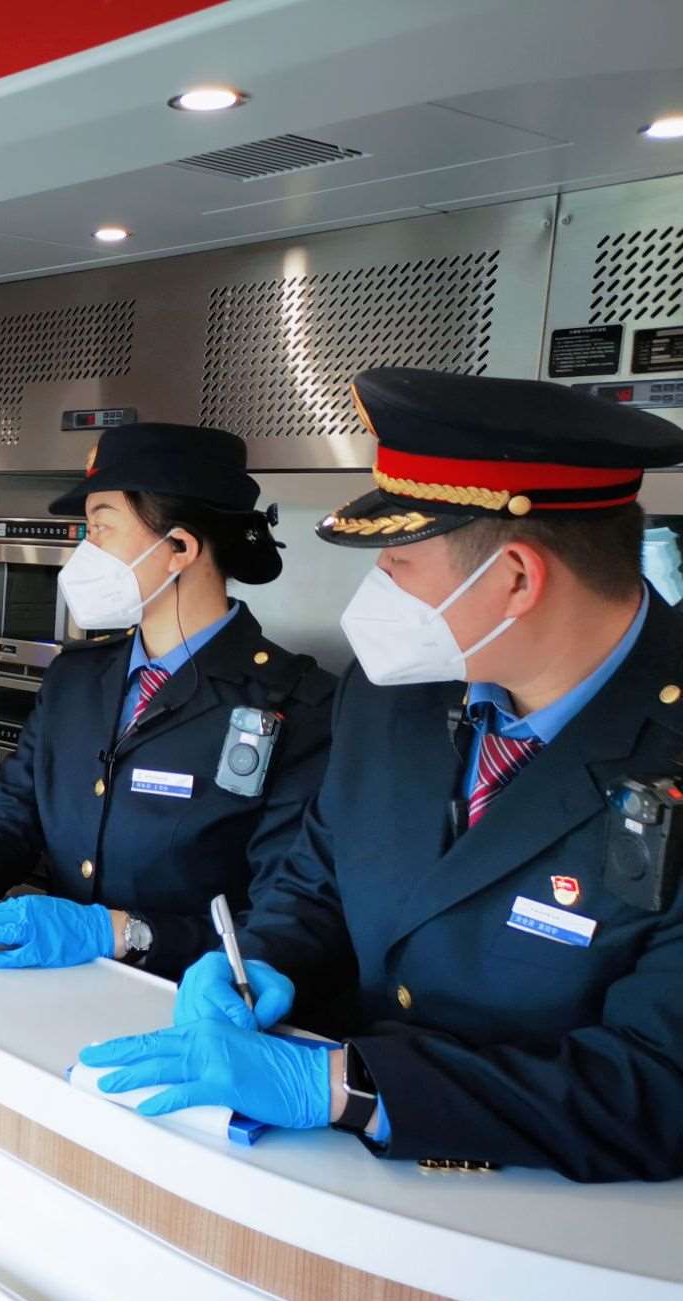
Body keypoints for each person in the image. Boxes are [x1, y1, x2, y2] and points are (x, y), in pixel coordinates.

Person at [81, 368, 683, 1183]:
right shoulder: (391, 695)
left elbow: (657, 1083)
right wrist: (259, 959)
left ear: (516, 578)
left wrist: (351, 1087)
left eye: (397, 559)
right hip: (343, 1186)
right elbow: (319, 880)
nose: (377, 591)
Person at [0, 424, 336, 975]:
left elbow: (290, 910)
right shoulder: (77, 677)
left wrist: (123, 933)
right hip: (55, 983)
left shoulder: (297, 703)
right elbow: (15, 811)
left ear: (179, 548)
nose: (83, 552)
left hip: (188, 997)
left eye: (100, 529)